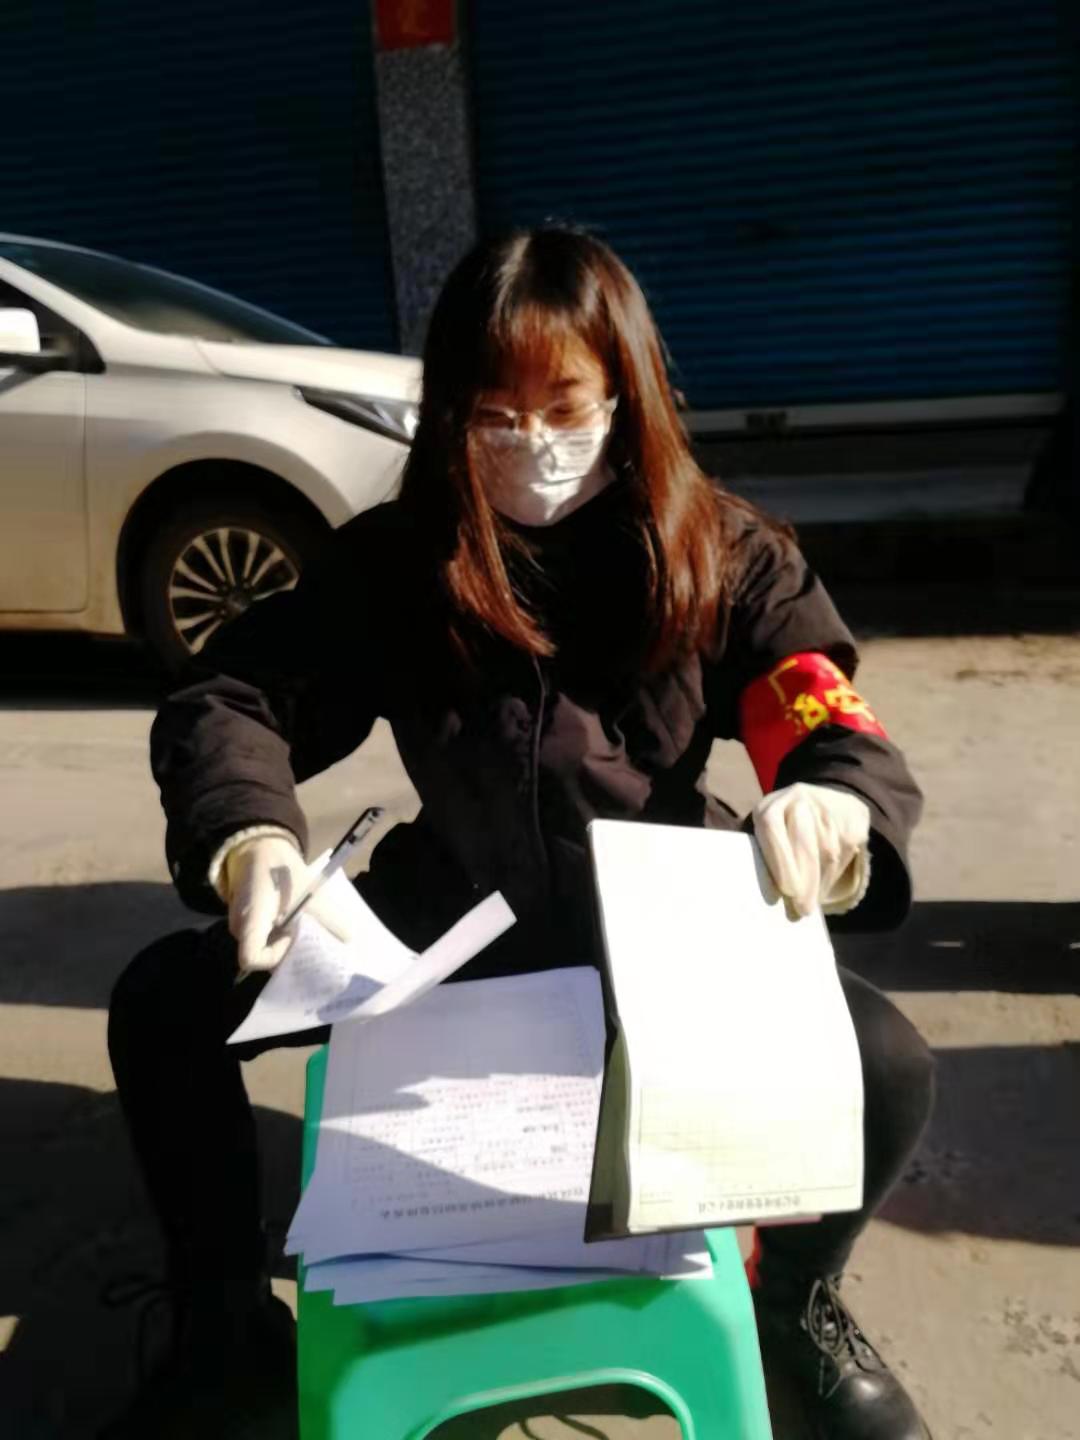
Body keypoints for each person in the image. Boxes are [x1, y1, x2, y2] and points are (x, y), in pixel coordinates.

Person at [104, 227, 934, 1439]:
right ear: (451, 413)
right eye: (495, 415)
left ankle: (789, 1300)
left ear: (625, 396)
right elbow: (238, 699)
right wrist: (251, 838)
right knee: (166, 1005)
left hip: (662, 916)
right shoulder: (401, 561)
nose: (530, 443)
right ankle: (224, 1321)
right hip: (451, 912)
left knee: (888, 1063)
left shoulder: (722, 551)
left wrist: (834, 796)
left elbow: (814, 702)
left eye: (565, 407)